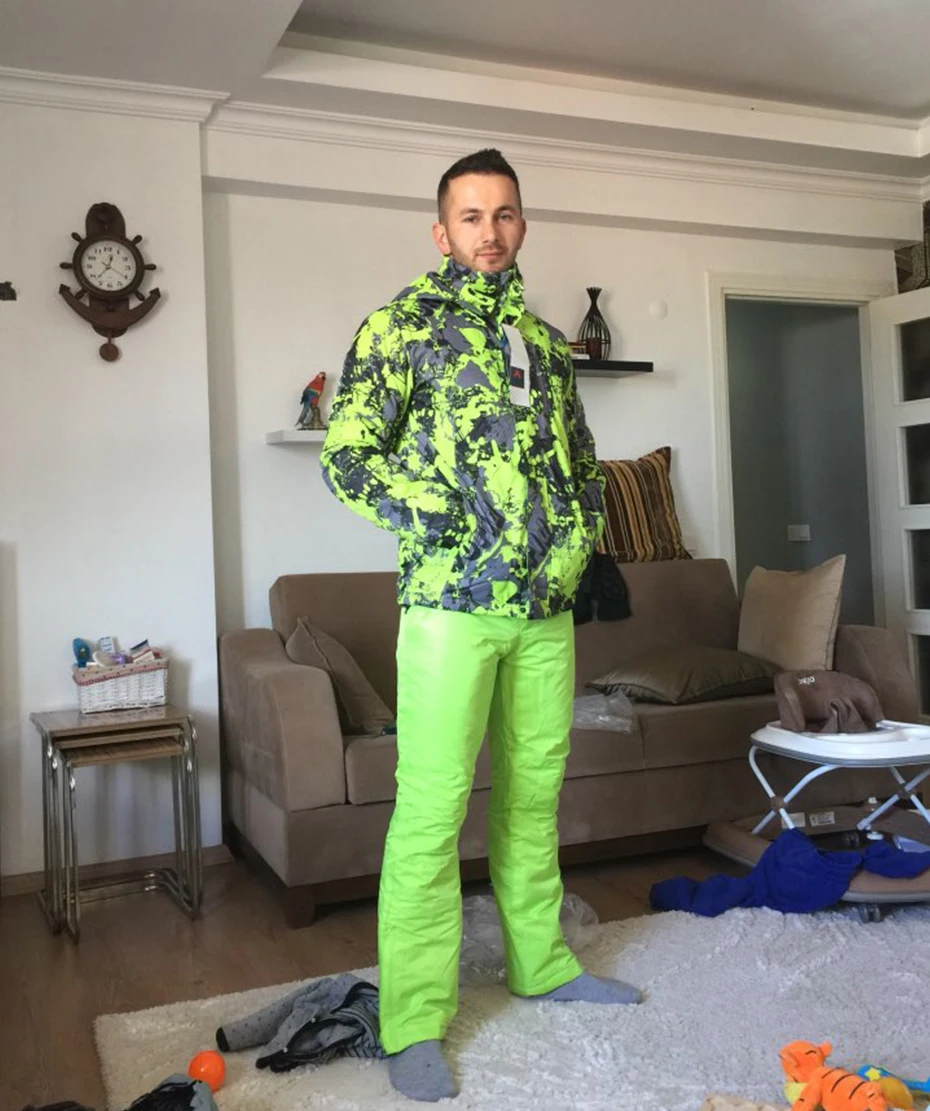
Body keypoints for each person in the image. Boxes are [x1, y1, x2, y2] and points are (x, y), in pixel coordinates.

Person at [320, 148, 641, 1103]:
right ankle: (413, 1018)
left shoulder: (546, 345)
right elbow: (347, 456)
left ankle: (542, 963)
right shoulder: (399, 327)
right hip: (449, 608)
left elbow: (582, 459)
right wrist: (445, 517)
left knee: (535, 798)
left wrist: (576, 541)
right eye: (471, 216)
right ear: (441, 230)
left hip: (543, 612)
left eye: (503, 214)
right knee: (430, 812)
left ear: (521, 225)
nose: (489, 232)